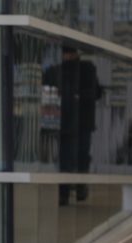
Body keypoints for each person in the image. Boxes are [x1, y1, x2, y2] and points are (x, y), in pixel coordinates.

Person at [43, 45, 101, 205]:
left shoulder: (81, 70)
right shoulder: (59, 71)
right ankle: (68, 191)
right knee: (72, 157)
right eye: (66, 53)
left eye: (68, 53)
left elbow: (95, 93)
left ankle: (71, 190)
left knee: (74, 157)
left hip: (75, 122)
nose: (67, 56)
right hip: (70, 122)